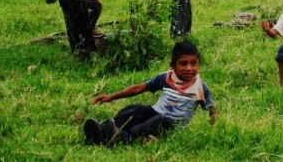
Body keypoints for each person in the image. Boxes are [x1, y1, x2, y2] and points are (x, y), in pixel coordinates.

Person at [83, 41, 216, 145]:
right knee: (137, 108)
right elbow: (139, 88)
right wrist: (111, 97)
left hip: (172, 124)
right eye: (183, 64)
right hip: (156, 112)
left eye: (194, 63)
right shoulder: (166, 77)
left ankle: (125, 137)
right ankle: (102, 131)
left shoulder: (200, 87)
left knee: (160, 120)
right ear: (173, 65)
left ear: (199, 64)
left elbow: (212, 109)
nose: (189, 68)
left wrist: (213, 129)